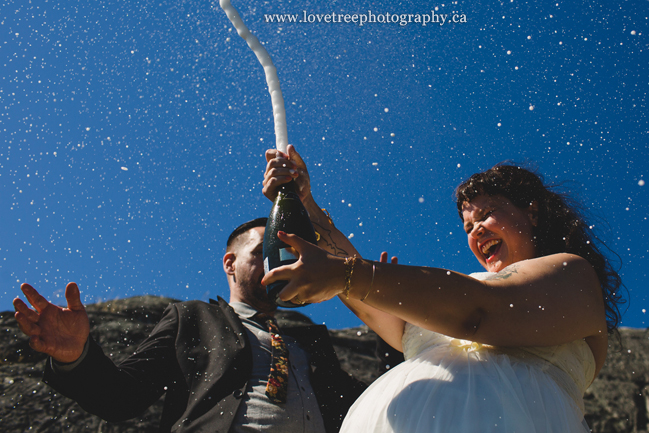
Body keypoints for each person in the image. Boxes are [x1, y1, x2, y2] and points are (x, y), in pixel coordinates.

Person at [262, 145, 624, 432]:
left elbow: (480, 312)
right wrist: (305, 203)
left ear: (531, 212)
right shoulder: (449, 297)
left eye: (486, 214)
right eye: (467, 227)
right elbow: (374, 307)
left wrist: (347, 275)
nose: (476, 231)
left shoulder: (572, 272)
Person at [13, 218, 366, 433]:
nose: (276, 262)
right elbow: (122, 398)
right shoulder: (193, 319)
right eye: (262, 251)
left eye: (283, 254)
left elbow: (362, 407)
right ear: (230, 263)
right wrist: (76, 357)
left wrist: (395, 322)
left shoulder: (311, 338)